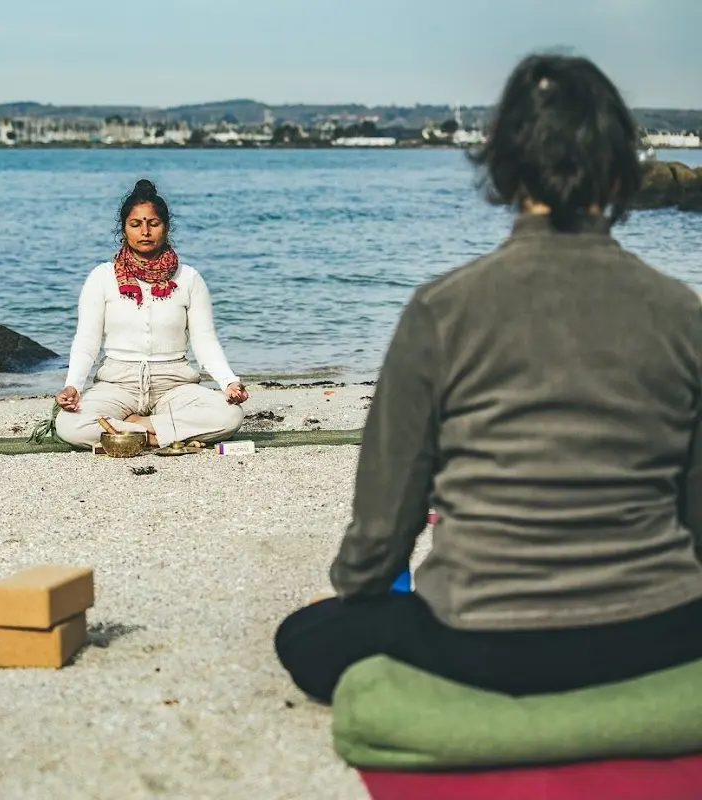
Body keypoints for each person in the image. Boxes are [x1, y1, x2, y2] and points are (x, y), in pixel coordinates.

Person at [275, 53, 702, 703]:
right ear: (619, 171)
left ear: (503, 167)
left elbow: (379, 538)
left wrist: (356, 599)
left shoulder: (444, 309)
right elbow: (695, 517)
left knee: (305, 635)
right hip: (655, 635)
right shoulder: (681, 312)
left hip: (484, 643)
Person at [54, 179, 247, 449]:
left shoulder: (188, 278)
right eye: (136, 224)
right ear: (124, 230)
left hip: (174, 385)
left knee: (230, 415)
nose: (145, 231)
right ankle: (167, 434)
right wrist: (73, 385)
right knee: (67, 424)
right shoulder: (102, 278)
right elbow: (87, 339)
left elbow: (204, 340)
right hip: (117, 384)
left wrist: (228, 382)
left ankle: (133, 431)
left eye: (153, 224)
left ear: (166, 228)